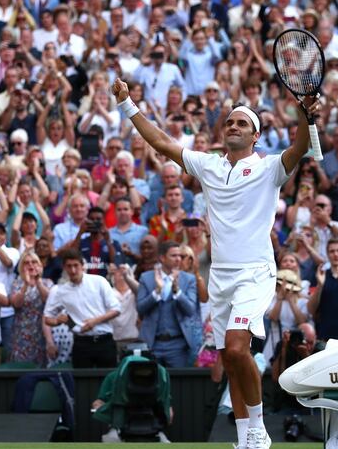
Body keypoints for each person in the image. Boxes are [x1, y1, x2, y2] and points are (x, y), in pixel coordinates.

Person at [112, 77, 319, 449]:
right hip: (220, 277)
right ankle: (245, 440)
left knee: (239, 348)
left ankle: (258, 428)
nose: (233, 126)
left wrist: (305, 115)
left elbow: (301, 146)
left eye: (242, 123)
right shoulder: (208, 165)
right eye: (229, 122)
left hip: (255, 273)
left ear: (255, 136)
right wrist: (127, 104)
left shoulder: (270, 167)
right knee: (229, 359)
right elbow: (160, 142)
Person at [43, 249, 121, 368]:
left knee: (108, 380)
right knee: (82, 382)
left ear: (82, 265)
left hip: (104, 339)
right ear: (64, 267)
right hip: (81, 342)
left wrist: (94, 321)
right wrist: (59, 321)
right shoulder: (60, 291)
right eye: (69, 266)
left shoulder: (98, 281)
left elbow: (116, 309)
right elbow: (47, 318)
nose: (73, 270)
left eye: (76, 265)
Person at [137, 241, 199, 368]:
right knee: (152, 384)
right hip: (153, 344)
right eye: (173, 256)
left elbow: (190, 310)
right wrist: (156, 292)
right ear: (162, 257)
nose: (178, 259)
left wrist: (177, 291)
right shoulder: (146, 278)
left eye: (180, 256)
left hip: (178, 345)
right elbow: (140, 309)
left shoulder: (188, 279)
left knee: (179, 385)